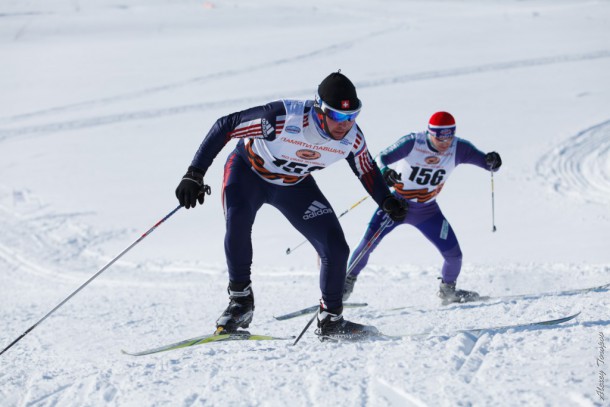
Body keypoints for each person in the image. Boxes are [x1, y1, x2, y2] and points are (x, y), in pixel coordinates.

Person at [175, 71, 407, 339]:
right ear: (319, 110)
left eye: (352, 116)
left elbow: (366, 169)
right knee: (237, 225)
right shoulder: (283, 118)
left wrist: (386, 200)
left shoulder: (351, 138)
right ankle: (240, 303)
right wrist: (194, 173)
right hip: (248, 172)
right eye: (337, 115)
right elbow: (226, 125)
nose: (345, 124)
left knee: (335, 247)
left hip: (294, 186)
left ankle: (331, 319)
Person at [343, 111, 502, 304]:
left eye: (449, 137)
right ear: (430, 133)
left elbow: (487, 163)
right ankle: (342, 290)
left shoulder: (459, 148)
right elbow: (380, 158)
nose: (445, 144)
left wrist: (492, 161)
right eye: (439, 138)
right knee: (366, 247)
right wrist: (385, 172)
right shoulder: (413, 142)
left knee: (454, 256)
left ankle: (448, 292)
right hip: (396, 205)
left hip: (428, 211)